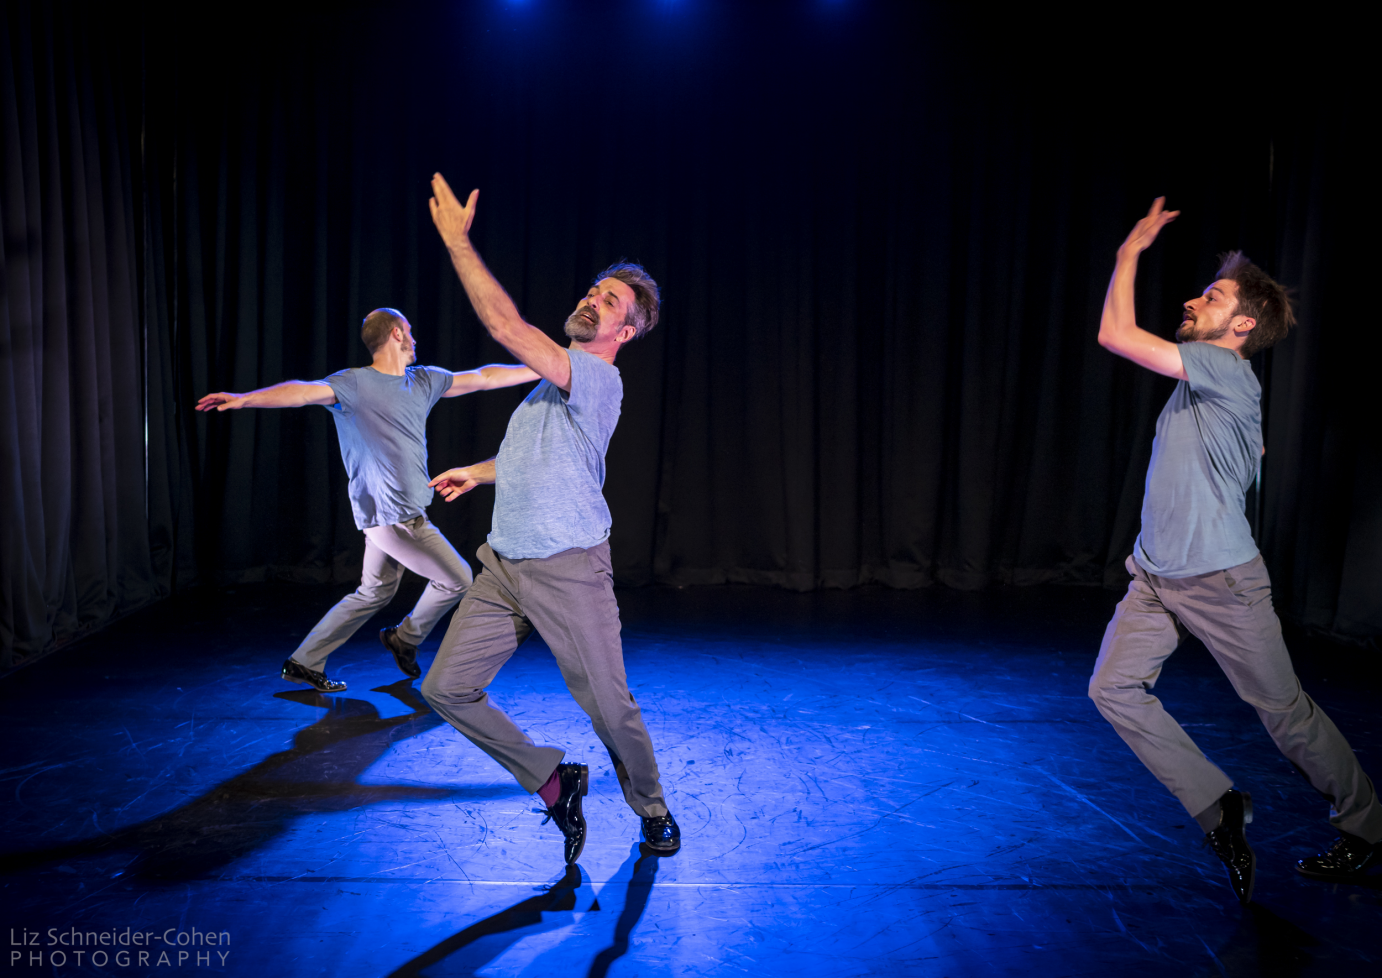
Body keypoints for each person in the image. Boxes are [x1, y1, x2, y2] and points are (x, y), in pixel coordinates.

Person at [1087, 198, 1382, 904]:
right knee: (1112, 688)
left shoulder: (1221, 369)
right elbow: (1245, 454)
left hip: (1221, 583)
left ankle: (1368, 828)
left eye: (1211, 296)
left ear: (1242, 324)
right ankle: (1219, 806)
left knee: (1284, 712)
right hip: (1157, 577)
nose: (1193, 300)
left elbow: (1116, 335)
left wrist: (1130, 250)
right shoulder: (1211, 389)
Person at [420, 172, 680, 864]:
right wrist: (476, 472)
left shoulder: (596, 377)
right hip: (503, 566)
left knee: (610, 708)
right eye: (593, 291)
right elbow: (534, 458)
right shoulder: (549, 385)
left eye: (611, 302)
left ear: (626, 330)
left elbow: (505, 326)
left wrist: (456, 241)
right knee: (446, 688)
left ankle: (651, 808)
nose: (593, 302)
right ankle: (551, 778)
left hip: (569, 569)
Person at [196, 308, 537, 692]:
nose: (414, 339)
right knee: (456, 578)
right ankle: (405, 638)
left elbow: (484, 378)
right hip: (396, 516)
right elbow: (301, 392)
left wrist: (543, 367)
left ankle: (303, 662)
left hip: (387, 515)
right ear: (396, 334)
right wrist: (245, 399)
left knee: (374, 592)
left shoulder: (423, 381)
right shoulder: (354, 384)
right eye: (409, 330)